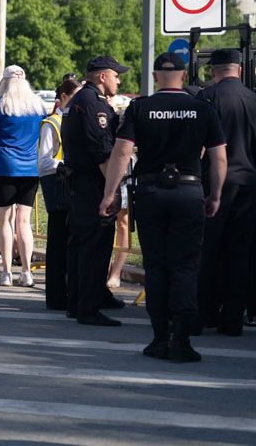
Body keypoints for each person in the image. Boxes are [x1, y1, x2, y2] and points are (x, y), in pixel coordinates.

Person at [101, 52, 227, 361]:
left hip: (151, 191)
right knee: (185, 266)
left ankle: (159, 337)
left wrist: (110, 193)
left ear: (156, 76)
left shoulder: (140, 107)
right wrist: (215, 196)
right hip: (187, 191)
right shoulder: (202, 108)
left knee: (156, 266)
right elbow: (219, 157)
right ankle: (182, 339)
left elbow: (121, 154)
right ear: (184, 76)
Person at [61, 56, 129, 327]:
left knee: (80, 244)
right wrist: (111, 192)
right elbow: (101, 151)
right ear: (102, 76)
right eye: (116, 75)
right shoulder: (93, 104)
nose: (119, 80)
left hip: (79, 182)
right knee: (95, 245)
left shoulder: (80, 99)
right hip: (92, 183)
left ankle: (82, 299)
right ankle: (88, 307)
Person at [196, 48, 256, 336]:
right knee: (239, 252)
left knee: (207, 250)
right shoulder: (253, 100)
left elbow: (197, 147)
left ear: (212, 71)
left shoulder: (207, 98)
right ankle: (232, 318)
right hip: (248, 186)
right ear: (239, 70)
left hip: (214, 185)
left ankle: (204, 312)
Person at [0, 66, 48, 287]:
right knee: (24, 222)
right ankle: (27, 272)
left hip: (3, 166)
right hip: (30, 168)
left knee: (5, 221)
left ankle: (7, 273)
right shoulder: (37, 105)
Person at [39, 77, 81, 310]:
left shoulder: (73, 119)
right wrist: (64, 164)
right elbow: (44, 161)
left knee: (67, 242)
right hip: (58, 185)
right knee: (57, 243)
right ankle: (56, 296)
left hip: (70, 184)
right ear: (63, 97)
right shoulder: (51, 123)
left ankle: (67, 291)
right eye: (75, 96)